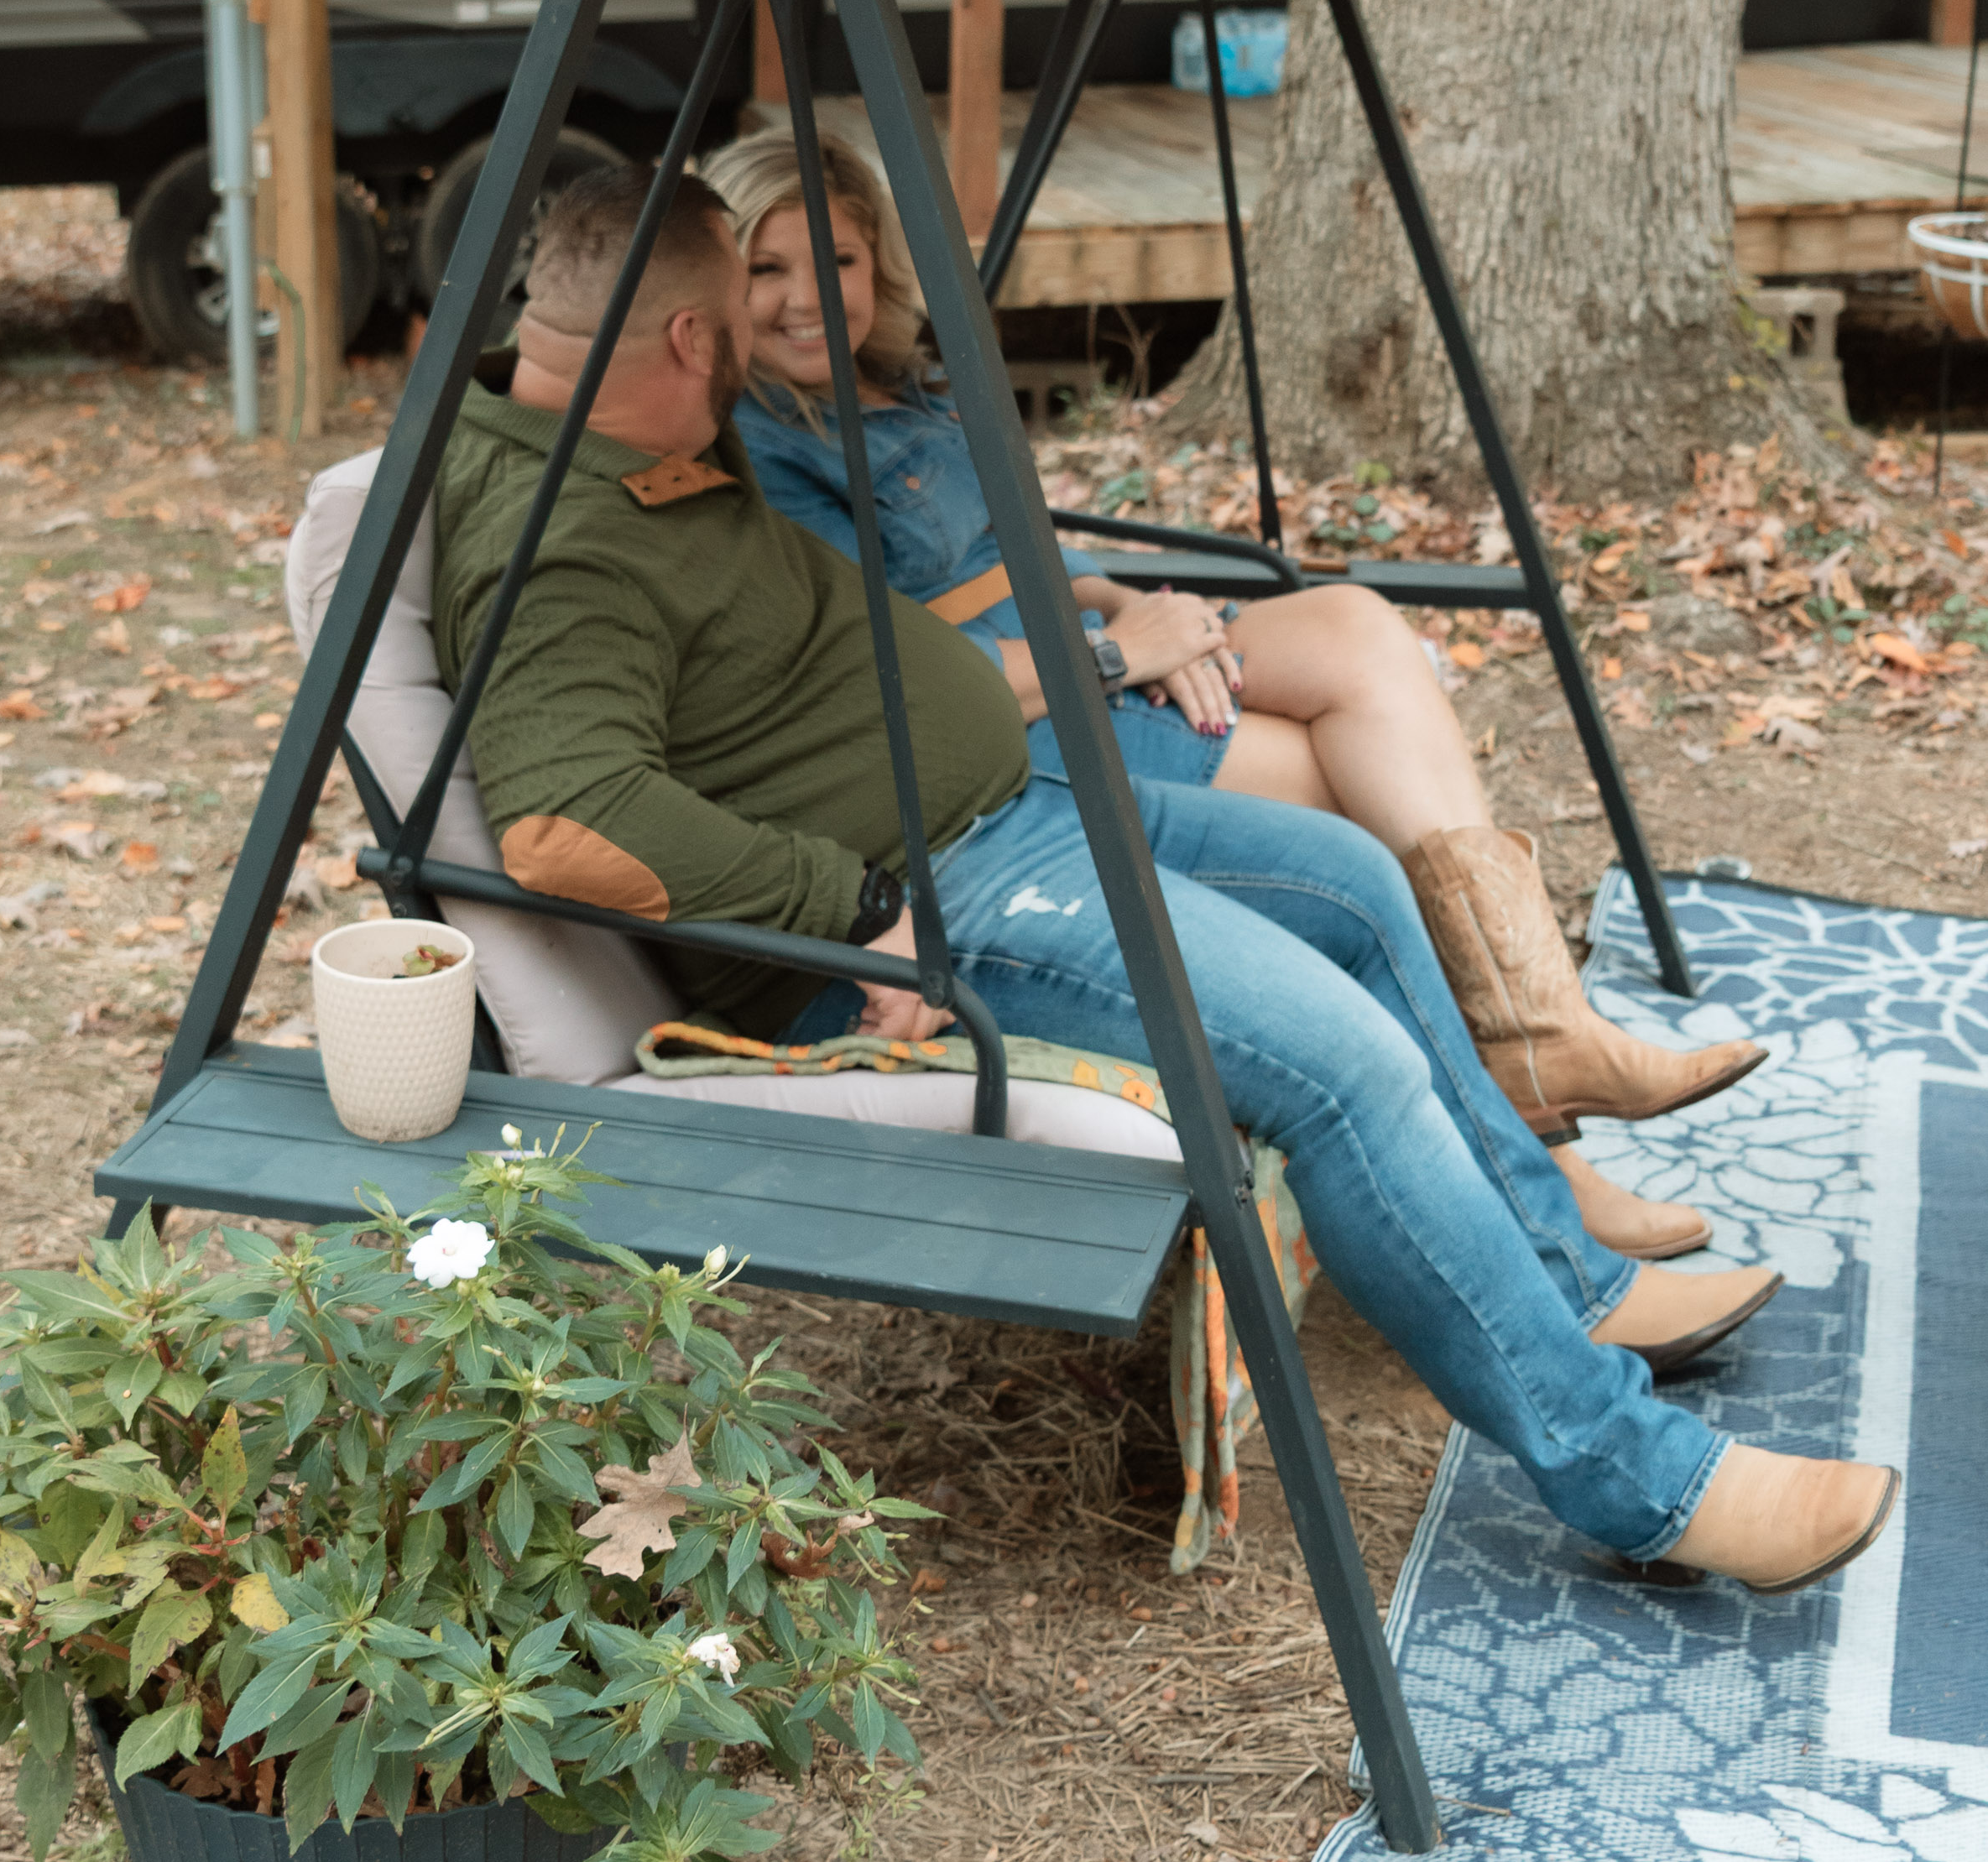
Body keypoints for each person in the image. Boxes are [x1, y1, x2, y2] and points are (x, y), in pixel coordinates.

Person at [429, 161, 1895, 1600]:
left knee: (1355, 882)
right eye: (736, 332)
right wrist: (858, 904)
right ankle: (1641, 1480)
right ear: (688, 341)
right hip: (916, 913)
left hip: (1009, 815)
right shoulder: (561, 539)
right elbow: (571, 828)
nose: (759, 361)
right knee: (1343, 1069)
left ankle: (1567, 1282)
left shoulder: (637, 431)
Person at [702, 128, 1758, 1264]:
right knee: (1338, 788)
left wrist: (1128, 610)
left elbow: (1022, 556)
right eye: (767, 268)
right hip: (1023, 726)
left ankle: (1537, 1031)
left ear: (878, 267)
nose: (807, 295)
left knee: (1355, 627)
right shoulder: (758, 444)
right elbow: (898, 684)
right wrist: (1111, 657)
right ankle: (1535, 1143)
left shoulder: (908, 387)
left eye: (837, 257)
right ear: (719, 287)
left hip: (1083, 650)